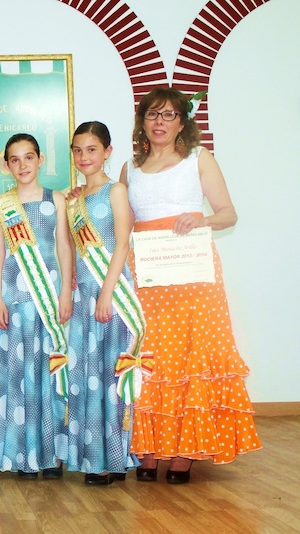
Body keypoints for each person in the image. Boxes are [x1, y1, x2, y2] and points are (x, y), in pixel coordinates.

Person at [120, 87, 262, 484]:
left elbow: (228, 214)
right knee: (149, 355)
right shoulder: (130, 169)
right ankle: (148, 450)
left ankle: (185, 453)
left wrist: (202, 220)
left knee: (191, 355)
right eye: (153, 114)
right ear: (142, 121)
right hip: (147, 274)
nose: (160, 122)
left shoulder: (199, 159)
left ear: (182, 122)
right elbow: (119, 221)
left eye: (169, 115)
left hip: (194, 275)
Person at [0, 133, 73, 480]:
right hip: (13, 300)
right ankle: (21, 453)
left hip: (48, 300)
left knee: (49, 374)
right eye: (15, 159)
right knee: (16, 377)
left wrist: (65, 293)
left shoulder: (57, 200)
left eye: (29, 157)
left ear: (40, 160)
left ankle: (51, 455)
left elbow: (63, 246)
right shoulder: (0, 204)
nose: (22, 165)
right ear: (7, 166)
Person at [66, 122, 144, 485]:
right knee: (87, 376)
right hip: (84, 295)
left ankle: (113, 459)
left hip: (110, 295)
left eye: (92, 149)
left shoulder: (116, 191)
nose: (84, 157)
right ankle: (91, 455)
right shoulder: (74, 198)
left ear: (108, 152)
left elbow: (123, 244)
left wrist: (107, 293)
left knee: (110, 378)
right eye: (78, 150)